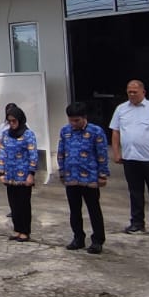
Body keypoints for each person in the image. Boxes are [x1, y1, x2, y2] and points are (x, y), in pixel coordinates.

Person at [110, 79, 149, 237]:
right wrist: (116, 153)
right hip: (130, 158)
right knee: (135, 193)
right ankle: (137, 223)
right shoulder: (121, 109)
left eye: (135, 92)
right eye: (129, 91)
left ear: (143, 92)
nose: (131, 94)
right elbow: (115, 132)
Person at [57, 102, 108, 254]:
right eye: (71, 120)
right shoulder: (65, 131)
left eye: (77, 120)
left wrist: (102, 174)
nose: (73, 123)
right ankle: (78, 237)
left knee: (94, 210)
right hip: (71, 176)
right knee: (74, 210)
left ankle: (97, 240)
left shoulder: (96, 132)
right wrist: (61, 171)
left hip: (90, 178)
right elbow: (61, 152)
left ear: (84, 118)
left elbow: (102, 154)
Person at [0, 103, 37, 243]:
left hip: (24, 176)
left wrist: (31, 174)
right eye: (9, 121)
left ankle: (25, 231)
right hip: (10, 175)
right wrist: (1, 172)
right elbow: (2, 153)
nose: (12, 124)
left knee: (23, 204)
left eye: (14, 121)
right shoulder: (5, 135)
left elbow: (33, 155)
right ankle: (17, 229)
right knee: (13, 204)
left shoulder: (28, 135)